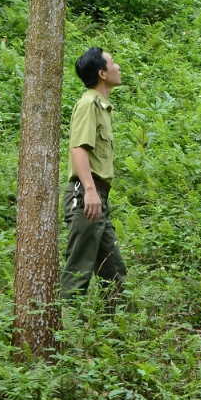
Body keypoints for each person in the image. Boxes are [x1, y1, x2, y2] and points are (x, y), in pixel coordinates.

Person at [59, 48, 126, 299]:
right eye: (113, 63)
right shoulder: (88, 104)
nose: (118, 66)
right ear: (102, 73)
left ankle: (113, 332)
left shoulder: (102, 107)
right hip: (86, 195)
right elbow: (78, 148)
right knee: (78, 271)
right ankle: (69, 333)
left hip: (98, 196)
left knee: (114, 270)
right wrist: (89, 190)